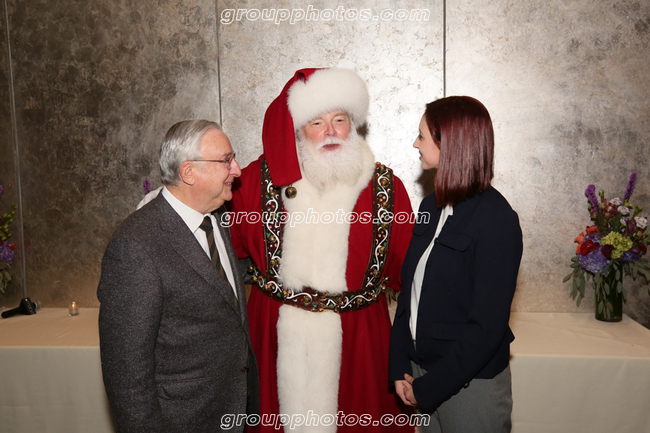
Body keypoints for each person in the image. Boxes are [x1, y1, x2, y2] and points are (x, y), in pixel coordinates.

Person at [228, 68, 414, 432]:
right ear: (297, 129)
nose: (330, 132)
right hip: (275, 340)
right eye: (317, 122)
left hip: (360, 344)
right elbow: (220, 255)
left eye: (339, 120)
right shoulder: (252, 183)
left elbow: (411, 276)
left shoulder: (387, 188)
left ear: (352, 125)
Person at [98, 120, 259, 433]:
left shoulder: (217, 220)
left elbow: (219, 288)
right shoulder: (136, 245)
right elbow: (127, 375)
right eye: (226, 160)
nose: (237, 170)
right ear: (189, 172)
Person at [389, 96, 523, 433]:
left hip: (469, 386)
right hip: (419, 375)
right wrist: (399, 364)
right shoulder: (429, 206)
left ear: (449, 143)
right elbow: (409, 296)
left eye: (421, 136)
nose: (415, 144)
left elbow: (487, 327)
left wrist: (430, 388)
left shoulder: (496, 219)